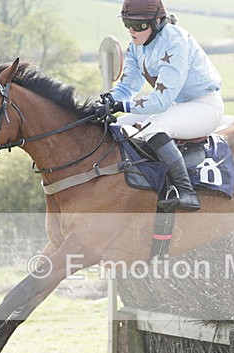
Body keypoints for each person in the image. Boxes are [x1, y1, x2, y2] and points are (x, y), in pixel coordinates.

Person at [95, 0, 224, 211]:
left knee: (154, 128)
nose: (131, 30)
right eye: (127, 23)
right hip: (175, 108)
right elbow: (126, 88)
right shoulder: (136, 47)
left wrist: (122, 105)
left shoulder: (175, 41)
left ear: (157, 22)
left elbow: (160, 101)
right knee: (117, 127)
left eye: (138, 26)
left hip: (204, 106)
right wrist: (108, 101)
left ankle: (186, 192)